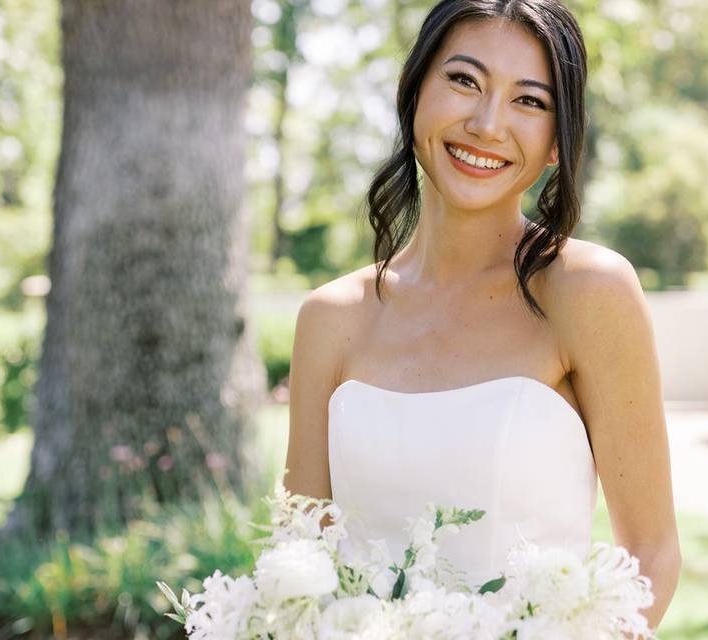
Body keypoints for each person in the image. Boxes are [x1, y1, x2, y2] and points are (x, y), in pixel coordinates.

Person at [284, 0, 680, 632]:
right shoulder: (330, 319)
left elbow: (650, 554)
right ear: (413, 92)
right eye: (463, 80)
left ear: (557, 143)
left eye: (529, 101)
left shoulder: (586, 292)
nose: (488, 124)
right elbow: (301, 557)